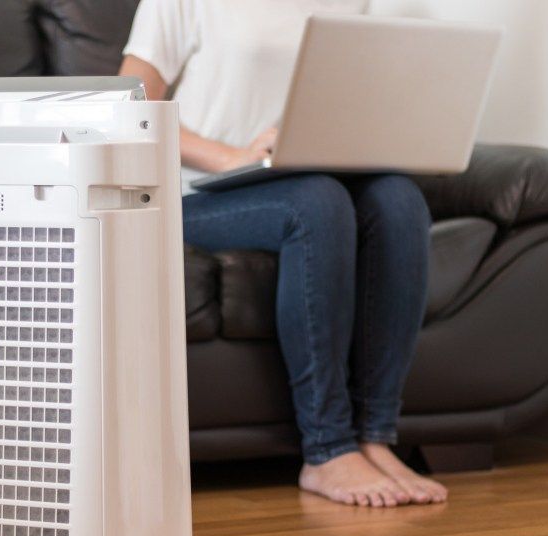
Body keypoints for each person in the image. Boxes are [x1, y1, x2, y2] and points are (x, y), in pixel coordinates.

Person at [120, 0, 448, 508]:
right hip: (199, 192)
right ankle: (327, 449)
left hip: (304, 178)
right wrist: (235, 157)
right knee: (316, 203)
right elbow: (131, 106)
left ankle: (374, 437)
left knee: (398, 200)